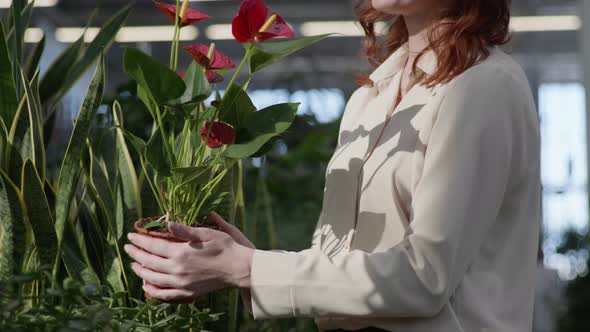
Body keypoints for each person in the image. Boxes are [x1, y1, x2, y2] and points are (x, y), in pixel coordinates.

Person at [124, 0, 541, 331]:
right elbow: (340, 261)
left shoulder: (483, 87)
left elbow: (425, 276)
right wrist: (235, 262)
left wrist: (250, 268)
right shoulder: (368, 101)